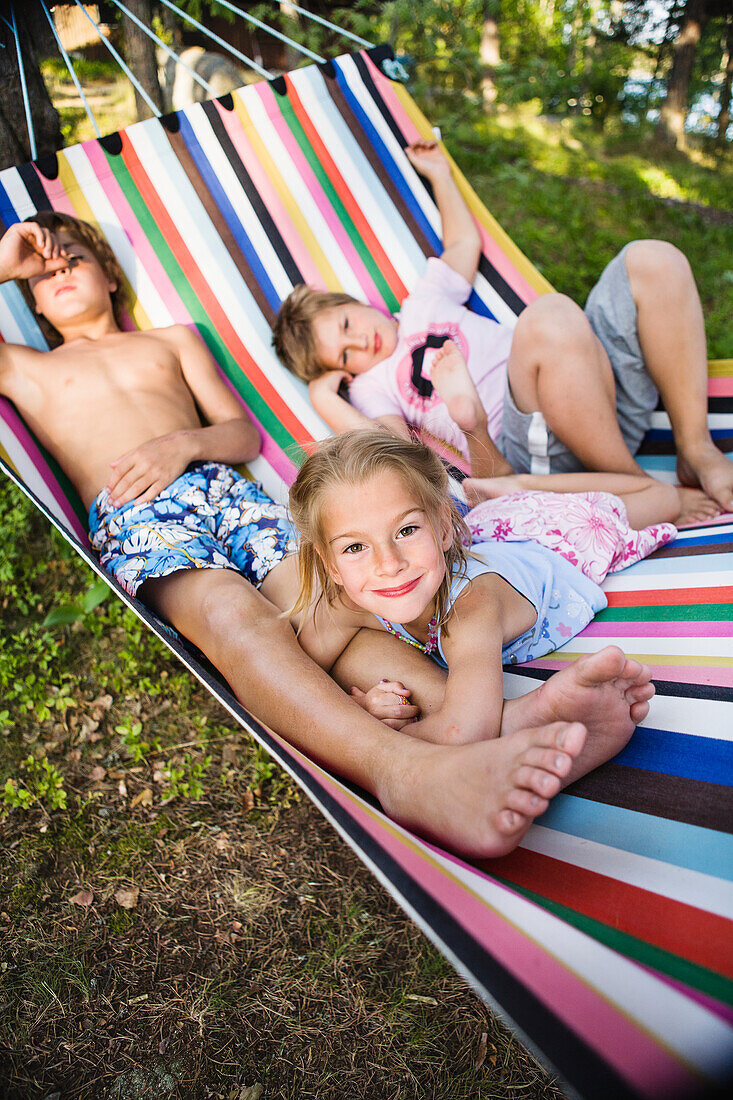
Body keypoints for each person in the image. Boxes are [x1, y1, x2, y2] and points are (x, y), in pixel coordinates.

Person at [0, 214, 653, 859]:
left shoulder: (170, 341)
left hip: (227, 491)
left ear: (109, 276)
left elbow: (239, 436)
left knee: (330, 608)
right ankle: (408, 774)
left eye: (72, 259)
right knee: (237, 618)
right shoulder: (24, 367)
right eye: (43, 271)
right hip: (139, 514)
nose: (58, 271)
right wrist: (10, 255)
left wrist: (181, 444)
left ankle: (485, 725)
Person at [272, 140, 731, 524]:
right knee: (549, 317)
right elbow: (390, 449)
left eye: (348, 326)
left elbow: (463, 244)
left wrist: (440, 174)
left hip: (597, 385)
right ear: (348, 373)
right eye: (346, 356)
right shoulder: (374, 386)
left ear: (356, 303)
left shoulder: (422, 300)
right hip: (541, 441)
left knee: (652, 259)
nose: (361, 343)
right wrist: (326, 400)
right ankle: (637, 487)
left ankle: (695, 447)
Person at [287, 429, 663, 771]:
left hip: (557, 534)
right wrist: (361, 705)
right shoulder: (350, 602)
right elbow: (296, 676)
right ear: (331, 565)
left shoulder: (472, 609)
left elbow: (463, 733)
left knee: (661, 497)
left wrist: (359, 729)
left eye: (406, 530)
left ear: (444, 528)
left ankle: (522, 483)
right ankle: (506, 492)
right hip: (493, 537)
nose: (389, 564)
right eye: (355, 547)